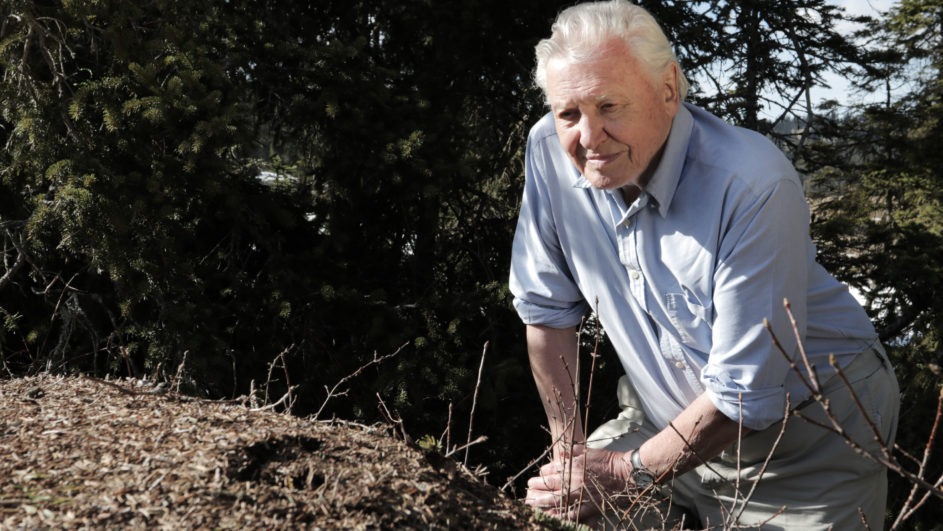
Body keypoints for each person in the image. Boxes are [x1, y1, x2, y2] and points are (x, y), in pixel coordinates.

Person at [508, 1, 900, 529]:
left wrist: (625, 474)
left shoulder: (750, 183)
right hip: (662, 420)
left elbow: (744, 393)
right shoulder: (547, 151)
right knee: (560, 516)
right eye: (569, 113)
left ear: (669, 90)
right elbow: (547, 312)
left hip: (809, 441)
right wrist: (571, 461)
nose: (588, 136)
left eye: (609, 106)